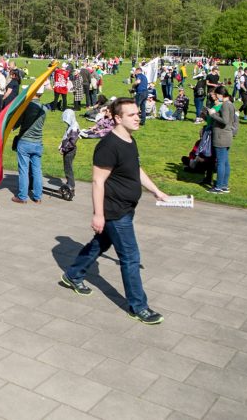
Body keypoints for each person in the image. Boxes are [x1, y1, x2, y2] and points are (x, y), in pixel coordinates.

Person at [59, 98, 169, 325]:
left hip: (127, 208)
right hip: (115, 211)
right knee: (130, 257)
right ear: (117, 118)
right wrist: (98, 214)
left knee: (100, 244)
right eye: (132, 115)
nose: (138, 117)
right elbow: (98, 182)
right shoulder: (108, 146)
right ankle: (138, 306)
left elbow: (135, 168)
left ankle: (72, 275)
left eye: (138, 113)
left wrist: (156, 191)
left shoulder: (129, 139)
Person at [11, 85, 47, 204]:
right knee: (37, 170)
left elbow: (18, 122)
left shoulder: (26, 106)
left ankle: (22, 196)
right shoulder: (43, 108)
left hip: (25, 141)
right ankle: (37, 197)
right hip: (38, 142)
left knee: (23, 170)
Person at [206, 86, 235, 194]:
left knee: (221, 163)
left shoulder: (225, 105)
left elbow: (224, 120)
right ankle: (224, 185)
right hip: (227, 135)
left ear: (220, 94)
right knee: (225, 162)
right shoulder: (231, 104)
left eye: (217, 95)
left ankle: (218, 187)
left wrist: (212, 115)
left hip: (221, 136)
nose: (217, 97)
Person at [59, 109, 80, 196]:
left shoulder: (74, 127)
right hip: (68, 150)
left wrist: (63, 149)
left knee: (68, 168)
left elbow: (71, 142)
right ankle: (70, 183)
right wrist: (61, 144)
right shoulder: (71, 125)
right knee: (67, 167)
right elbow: (67, 137)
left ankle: (71, 185)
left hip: (69, 150)